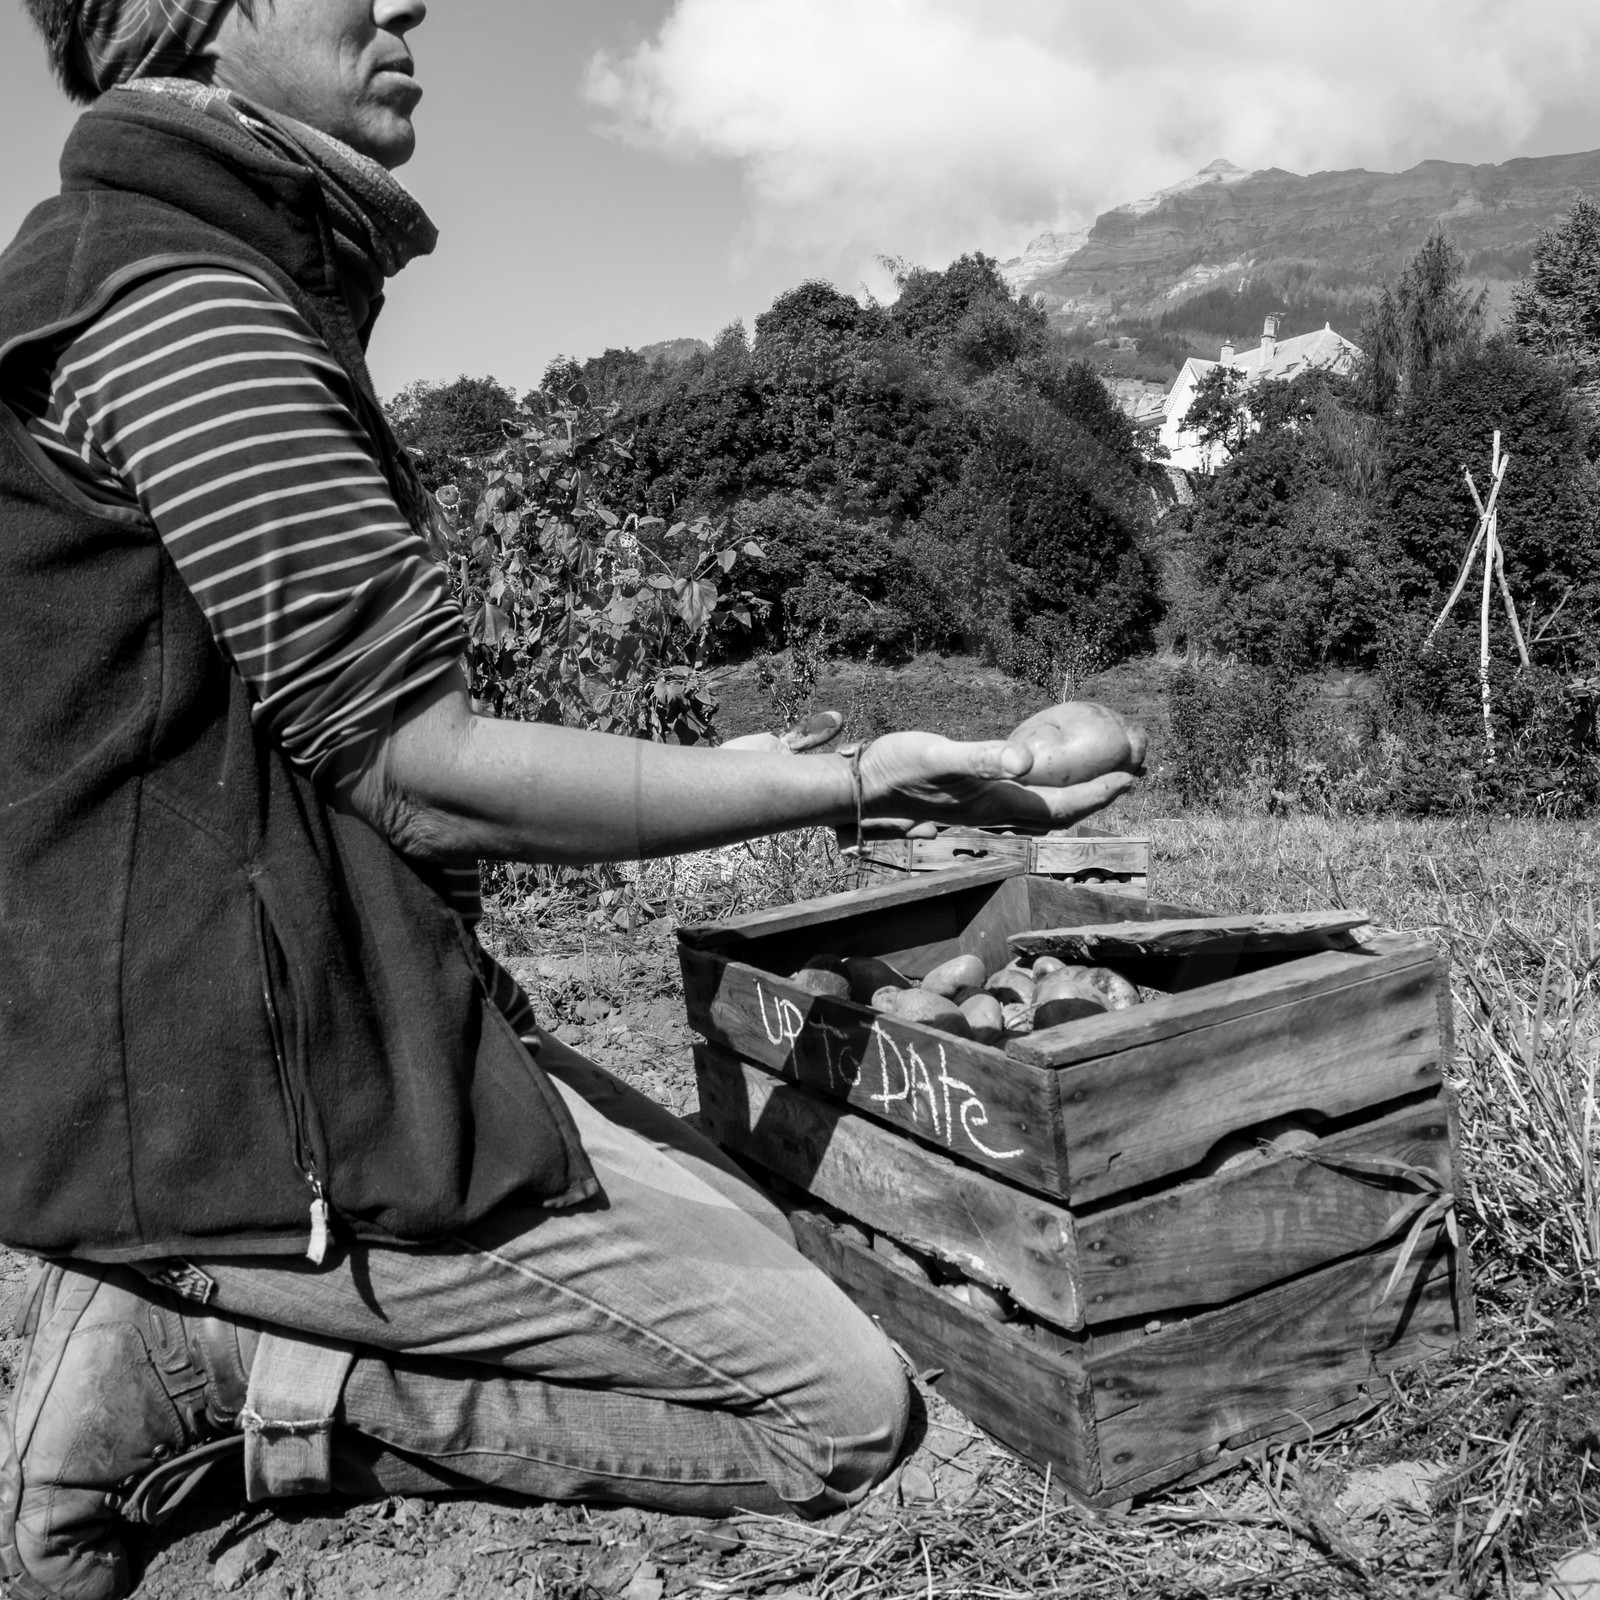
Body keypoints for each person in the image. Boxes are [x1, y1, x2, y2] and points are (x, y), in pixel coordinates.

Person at [0, 2, 1141, 1597]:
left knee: (762, 1234)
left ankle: (214, 1287)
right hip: (241, 1119)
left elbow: (329, 737)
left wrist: (750, 772)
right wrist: (850, 779)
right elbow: (422, 770)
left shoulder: (192, 271)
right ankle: (216, 1371)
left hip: (316, 1037)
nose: (407, 4)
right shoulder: (184, 306)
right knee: (835, 1406)